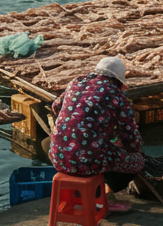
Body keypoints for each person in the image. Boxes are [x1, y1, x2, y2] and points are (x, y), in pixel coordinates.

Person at [48, 56, 145, 215]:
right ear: (118, 80)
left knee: (61, 145)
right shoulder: (116, 96)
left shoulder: (75, 82)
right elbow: (131, 138)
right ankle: (104, 196)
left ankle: (88, 193)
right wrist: (133, 150)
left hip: (57, 158)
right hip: (88, 162)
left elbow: (55, 106)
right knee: (137, 162)